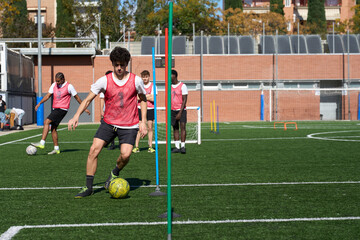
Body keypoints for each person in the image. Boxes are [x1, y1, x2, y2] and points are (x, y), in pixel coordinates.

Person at [68, 47, 147, 199]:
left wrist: (142, 121)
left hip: (129, 125)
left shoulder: (136, 80)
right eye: (116, 64)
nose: (119, 68)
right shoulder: (104, 80)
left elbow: (143, 99)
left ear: (126, 64)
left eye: (122, 65)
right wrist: (76, 115)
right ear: (112, 64)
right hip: (109, 123)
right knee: (93, 150)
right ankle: (89, 187)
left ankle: (114, 173)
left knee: (125, 155)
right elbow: (88, 99)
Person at [31, 72, 90, 155]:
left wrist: (84, 108)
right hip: (56, 109)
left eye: (58, 81)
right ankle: (56, 149)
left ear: (63, 79)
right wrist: (40, 103)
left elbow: (77, 98)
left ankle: (42, 142)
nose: (57, 83)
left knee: (46, 122)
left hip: (62, 109)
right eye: (56, 81)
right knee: (53, 128)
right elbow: (48, 95)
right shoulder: (54, 85)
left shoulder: (69, 86)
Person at [133, 70, 157, 153]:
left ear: (149, 77)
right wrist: (148, 96)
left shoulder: (153, 86)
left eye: (146, 76)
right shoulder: (139, 86)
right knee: (140, 128)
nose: (145, 78)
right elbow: (137, 97)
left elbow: (153, 98)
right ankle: (136, 146)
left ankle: (150, 146)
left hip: (150, 109)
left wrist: (144, 97)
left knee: (150, 127)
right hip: (140, 108)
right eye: (143, 77)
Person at [99, 70, 119, 150]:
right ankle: (112, 144)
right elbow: (101, 99)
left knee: (118, 127)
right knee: (109, 128)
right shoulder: (104, 86)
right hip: (107, 112)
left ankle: (121, 143)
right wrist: (101, 111)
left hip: (116, 112)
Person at [170, 69, 188, 154]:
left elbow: (184, 100)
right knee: (175, 128)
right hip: (172, 110)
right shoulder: (169, 86)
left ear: (174, 75)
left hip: (181, 110)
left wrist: (180, 113)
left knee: (182, 127)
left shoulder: (182, 86)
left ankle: (183, 146)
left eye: (170, 75)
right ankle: (177, 147)